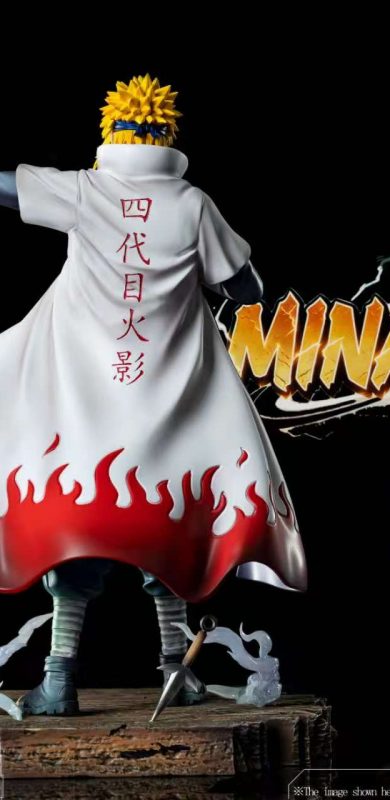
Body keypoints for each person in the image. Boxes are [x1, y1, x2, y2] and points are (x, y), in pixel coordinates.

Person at [0, 74, 307, 715]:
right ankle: (175, 668)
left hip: (82, 413)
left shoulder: (85, 190)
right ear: (167, 137)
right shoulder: (192, 204)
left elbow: (8, 187)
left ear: (111, 133)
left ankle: (60, 678)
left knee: (79, 530)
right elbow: (246, 286)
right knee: (166, 532)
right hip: (170, 410)